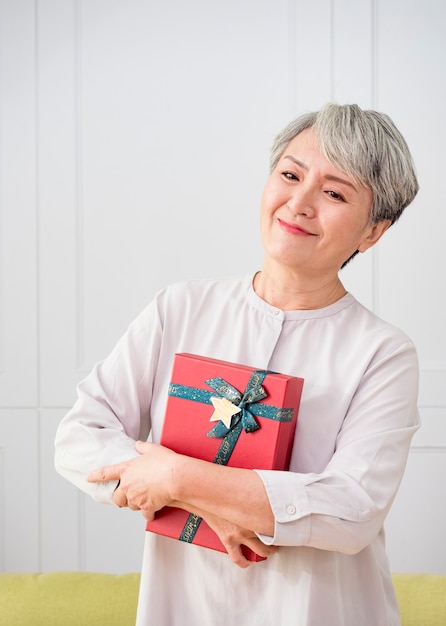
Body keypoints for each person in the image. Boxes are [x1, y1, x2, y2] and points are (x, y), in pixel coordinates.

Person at [55, 103, 420, 625]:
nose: (299, 202)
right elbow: (79, 436)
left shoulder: (383, 353)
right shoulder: (178, 309)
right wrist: (209, 505)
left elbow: (351, 510)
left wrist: (178, 476)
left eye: (334, 192)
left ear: (373, 232)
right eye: (290, 175)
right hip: (185, 609)